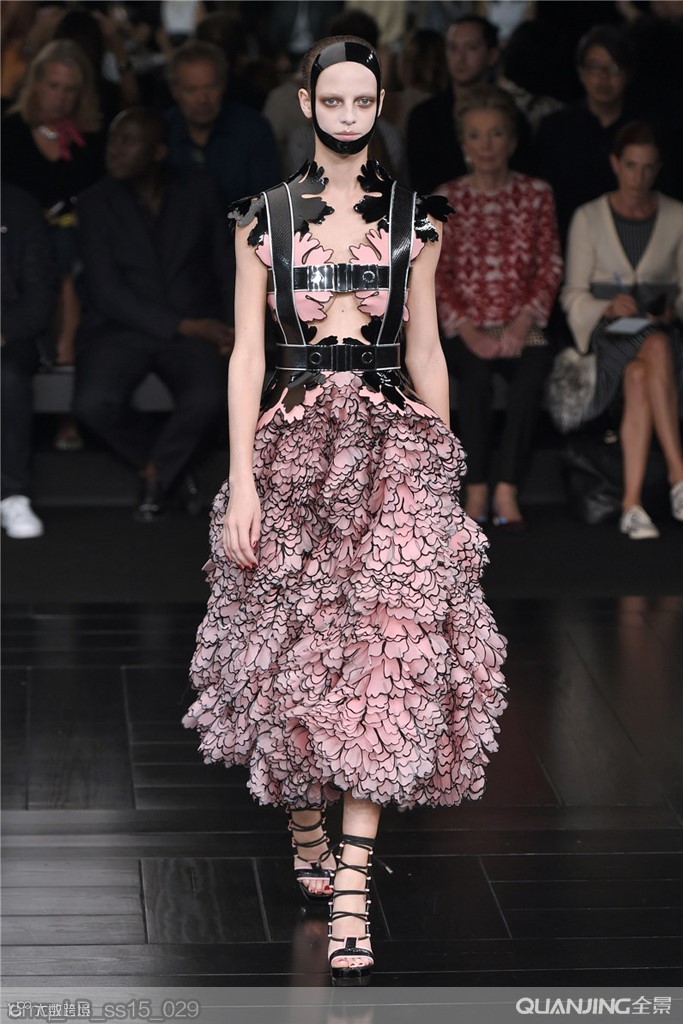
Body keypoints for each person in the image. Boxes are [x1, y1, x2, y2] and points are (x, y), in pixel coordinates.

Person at [183, 35, 507, 985]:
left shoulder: (416, 221)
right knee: (285, 645)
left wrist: (445, 471)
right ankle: (304, 825)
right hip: (289, 448)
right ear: (306, 102)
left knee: (387, 654)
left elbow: (427, 350)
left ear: (381, 104)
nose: (349, 114)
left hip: (393, 445)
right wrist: (242, 480)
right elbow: (246, 355)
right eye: (333, 99)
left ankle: (355, 890)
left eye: (364, 100)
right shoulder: (261, 219)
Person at [74, 108, 234, 522]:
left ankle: (156, 475)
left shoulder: (200, 187)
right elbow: (106, 293)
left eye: (128, 141)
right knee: (93, 404)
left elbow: (225, 263)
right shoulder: (94, 202)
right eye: (113, 139)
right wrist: (185, 325)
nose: (114, 149)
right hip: (122, 329)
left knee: (211, 397)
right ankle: (168, 470)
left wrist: (238, 327)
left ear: (158, 151)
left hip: (197, 328)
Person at [434, 85, 562, 530]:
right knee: (475, 378)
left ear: (511, 140)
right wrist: (469, 329)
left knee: (534, 366)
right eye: (475, 135)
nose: (486, 145)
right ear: (463, 143)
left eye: (496, 134)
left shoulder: (537, 193)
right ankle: (475, 486)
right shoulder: (445, 198)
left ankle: (506, 486)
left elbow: (550, 264)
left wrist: (522, 322)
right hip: (466, 326)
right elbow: (437, 274)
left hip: (522, 322)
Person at [561, 122, 683, 540]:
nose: (638, 177)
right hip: (609, 336)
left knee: (642, 371)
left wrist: (671, 309)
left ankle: (632, 505)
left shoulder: (677, 215)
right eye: (631, 166)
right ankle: (678, 475)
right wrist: (607, 307)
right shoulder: (589, 216)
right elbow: (572, 295)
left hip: (661, 331)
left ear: (659, 168)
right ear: (615, 164)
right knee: (655, 348)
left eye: (648, 168)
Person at [406, 14, 533, 194]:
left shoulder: (511, 114)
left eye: (471, 48)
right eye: (453, 48)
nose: (460, 57)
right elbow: (421, 185)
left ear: (492, 55)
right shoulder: (424, 117)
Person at [535, 25, 637, 242]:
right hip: (568, 238)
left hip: (631, 236)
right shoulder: (554, 128)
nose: (604, 77)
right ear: (581, 73)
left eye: (614, 67)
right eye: (595, 67)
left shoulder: (645, 129)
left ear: (627, 74)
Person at [1, 182, 58, 539]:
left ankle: (11, 495)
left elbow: (40, 295)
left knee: (6, 377)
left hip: (9, 334)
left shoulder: (17, 206)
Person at [164, 40, 280, 207]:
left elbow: (267, 203)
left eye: (210, 87)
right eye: (191, 90)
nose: (202, 99)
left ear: (223, 85)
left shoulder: (253, 129)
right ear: (174, 91)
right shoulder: (162, 131)